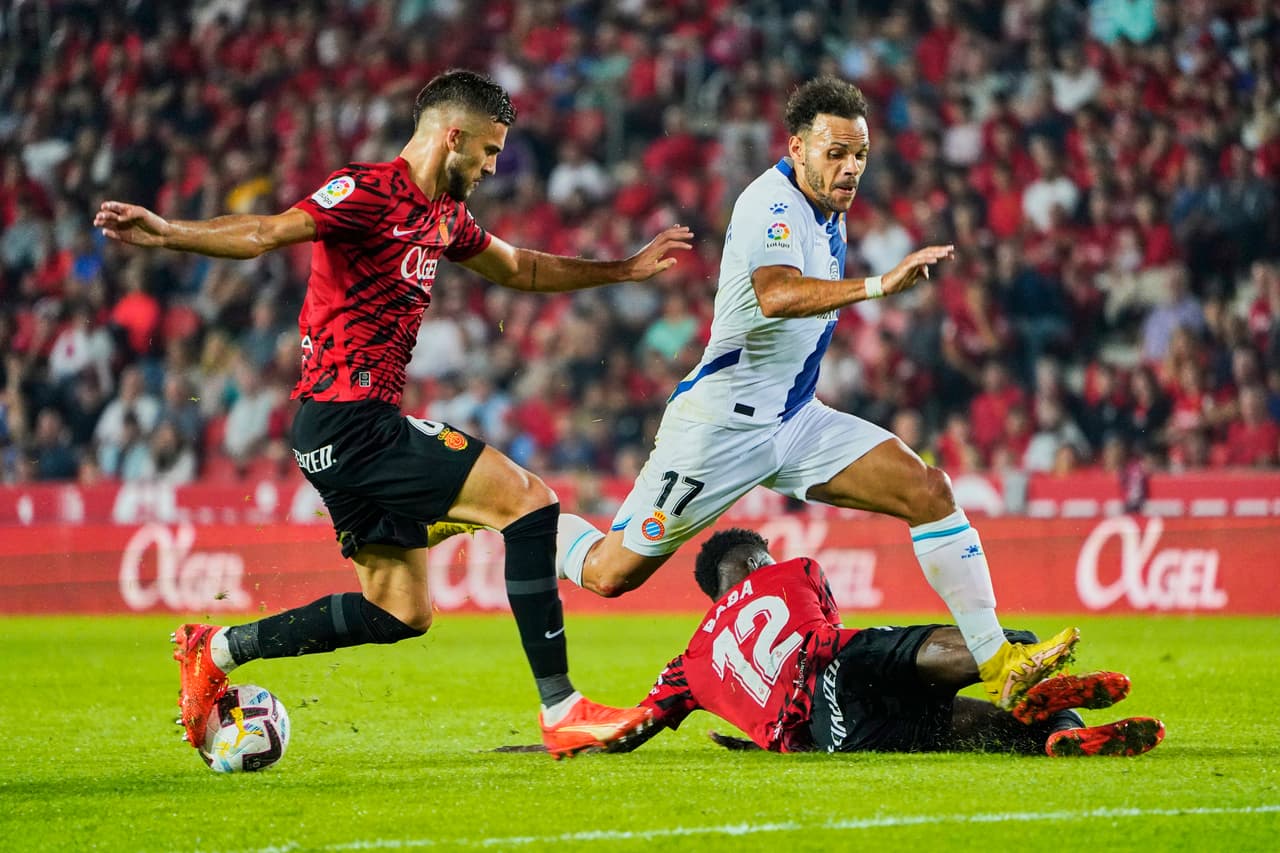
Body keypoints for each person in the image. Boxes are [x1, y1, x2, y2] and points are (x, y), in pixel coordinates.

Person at [94, 69, 693, 760]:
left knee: (401, 610)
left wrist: (622, 268)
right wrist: (168, 235)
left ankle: (218, 648)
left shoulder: (445, 212)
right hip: (353, 422)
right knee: (531, 503)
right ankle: (563, 708)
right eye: (491, 151)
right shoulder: (368, 190)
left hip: (333, 432)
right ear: (454, 135)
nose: (495, 166)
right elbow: (265, 231)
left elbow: (520, 268)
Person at [549, 76, 1078, 711]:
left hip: (796, 420)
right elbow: (776, 295)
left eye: (860, 154)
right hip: (722, 428)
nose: (850, 168)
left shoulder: (829, 210)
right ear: (797, 147)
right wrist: (881, 285)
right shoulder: (770, 206)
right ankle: (523, 518)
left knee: (928, 490)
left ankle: (999, 664)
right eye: (835, 153)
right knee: (611, 574)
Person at [622, 528, 1165, 757]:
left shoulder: (689, 662)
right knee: (1002, 646)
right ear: (753, 562)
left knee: (981, 731)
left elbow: (625, 731)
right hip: (840, 666)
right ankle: (1021, 677)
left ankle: (1061, 734)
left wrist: (548, 746)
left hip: (834, 733)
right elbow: (831, 644)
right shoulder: (791, 570)